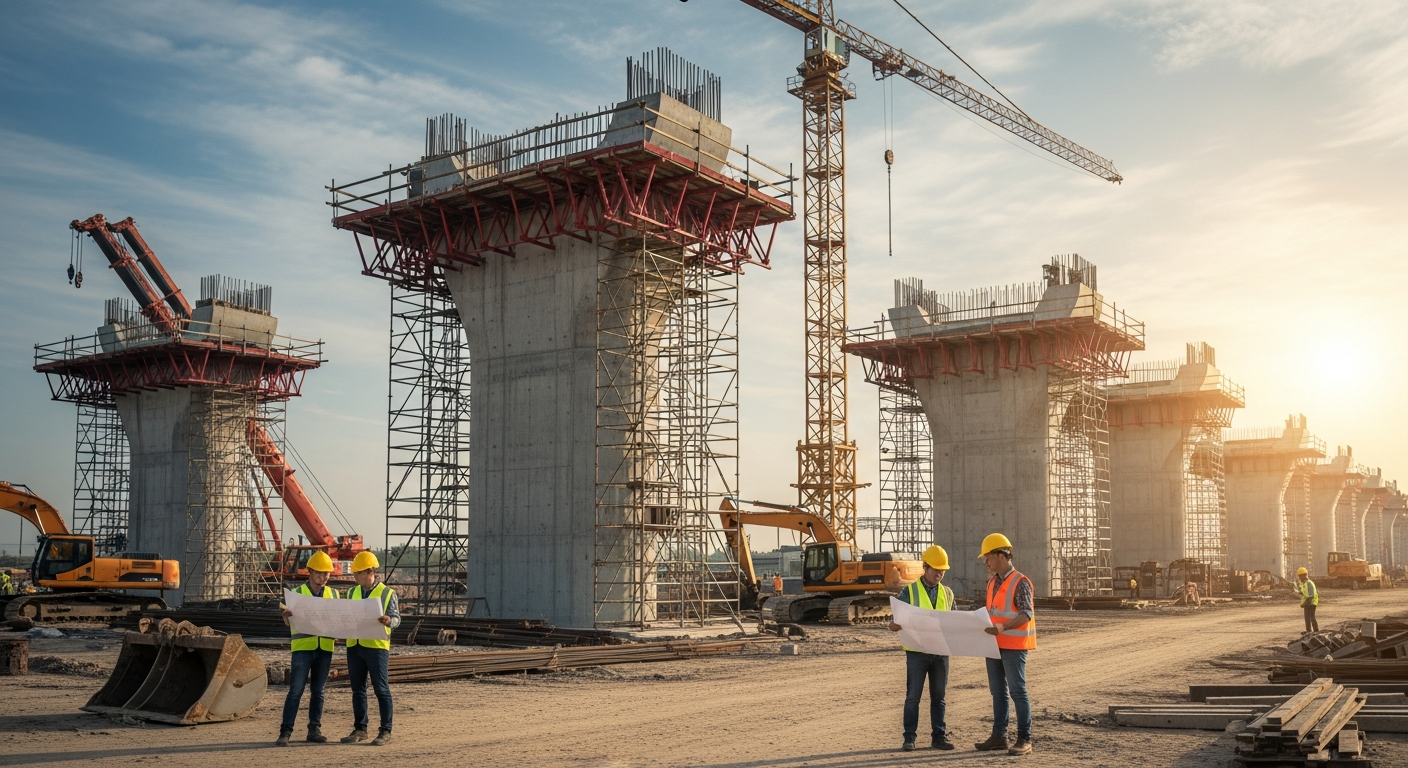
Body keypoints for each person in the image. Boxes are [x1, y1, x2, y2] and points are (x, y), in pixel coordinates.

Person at [888, 545, 956, 752]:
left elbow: (954, 620)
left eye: (942, 570)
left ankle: (938, 737)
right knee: (913, 697)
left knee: (939, 698)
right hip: (917, 653)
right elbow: (896, 619)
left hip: (940, 653)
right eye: (936, 569)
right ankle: (909, 738)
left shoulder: (948, 593)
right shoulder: (909, 591)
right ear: (925, 568)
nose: (939, 573)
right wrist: (894, 625)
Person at [975, 533, 1035, 756]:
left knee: (1017, 691)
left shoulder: (1020, 582)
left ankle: (1024, 739)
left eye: (988, 556)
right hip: (993, 645)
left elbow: (1026, 613)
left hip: (1013, 646)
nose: (985, 561)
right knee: (998, 692)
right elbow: (991, 612)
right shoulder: (992, 582)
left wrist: (1003, 627)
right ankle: (999, 737)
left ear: (1001, 555)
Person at [277, 550, 338, 747]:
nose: (323, 578)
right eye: (319, 573)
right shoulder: (296, 595)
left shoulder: (334, 594)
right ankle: (285, 732)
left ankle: (314, 730)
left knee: (318, 691)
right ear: (310, 572)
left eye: (326, 574)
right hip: (303, 648)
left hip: (324, 648)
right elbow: (287, 619)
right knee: (296, 691)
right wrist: (285, 617)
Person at [342, 551, 399, 746]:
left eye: (358, 573)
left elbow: (397, 618)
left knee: (381, 689)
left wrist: (389, 621)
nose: (355, 577)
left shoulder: (387, 593)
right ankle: (360, 729)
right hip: (355, 646)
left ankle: (385, 730)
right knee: (357, 690)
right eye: (354, 573)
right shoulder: (351, 593)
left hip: (376, 648)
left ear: (370, 572)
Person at [1297, 567, 1319, 633]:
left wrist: (1305, 603)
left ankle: (1316, 630)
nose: (1299, 578)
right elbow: (1306, 593)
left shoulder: (1309, 583)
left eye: (1300, 576)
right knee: (1307, 617)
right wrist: (1301, 593)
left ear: (1303, 576)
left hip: (1311, 602)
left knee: (1311, 617)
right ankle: (1308, 631)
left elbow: (1311, 595)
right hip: (1308, 602)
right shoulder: (1305, 583)